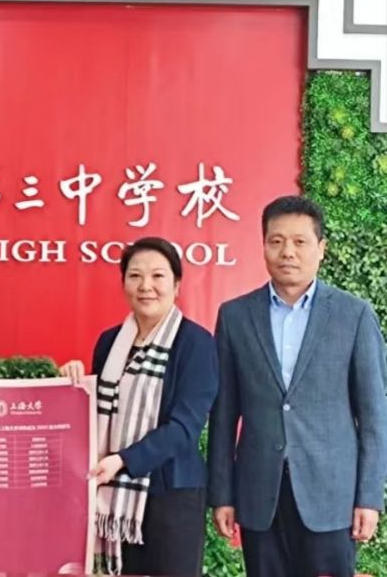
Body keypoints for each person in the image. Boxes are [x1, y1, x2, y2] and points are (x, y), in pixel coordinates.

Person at [208, 195, 387, 577]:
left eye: (300, 241)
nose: (287, 251)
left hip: (332, 498)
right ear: (263, 246)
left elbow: (374, 417)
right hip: (260, 495)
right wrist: (222, 495)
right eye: (276, 241)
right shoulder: (235, 316)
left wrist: (369, 498)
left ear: (321, 249)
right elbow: (223, 415)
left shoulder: (354, 315)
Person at [59, 237, 218, 576]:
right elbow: (96, 415)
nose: (146, 286)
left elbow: (185, 428)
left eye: (158, 276)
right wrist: (71, 384)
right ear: (124, 284)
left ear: (176, 285)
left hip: (173, 494)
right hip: (114, 496)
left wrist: (123, 460)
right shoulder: (109, 342)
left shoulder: (196, 343)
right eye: (135, 276)